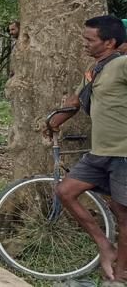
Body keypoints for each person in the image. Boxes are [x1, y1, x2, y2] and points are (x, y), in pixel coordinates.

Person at [46, 15, 127, 281]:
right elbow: (76, 100)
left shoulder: (123, 64)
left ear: (111, 42)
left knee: (123, 215)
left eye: (89, 40)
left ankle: (118, 275)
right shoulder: (95, 69)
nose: (84, 44)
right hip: (99, 153)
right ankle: (105, 245)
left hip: (123, 155)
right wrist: (52, 123)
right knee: (65, 191)